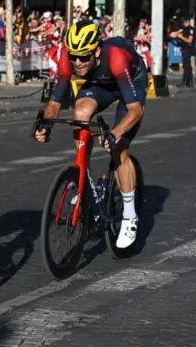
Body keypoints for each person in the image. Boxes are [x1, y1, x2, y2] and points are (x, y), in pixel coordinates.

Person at [34, 20, 146, 248]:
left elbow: (136, 111)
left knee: (119, 149)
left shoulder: (116, 57)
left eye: (84, 57)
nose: (77, 62)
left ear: (96, 50)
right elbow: (55, 102)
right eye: (73, 56)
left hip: (129, 80)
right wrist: (45, 124)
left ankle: (130, 215)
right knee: (80, 111)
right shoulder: (69, 58)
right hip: (100, 83)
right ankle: (81, 178)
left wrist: (115, 133)